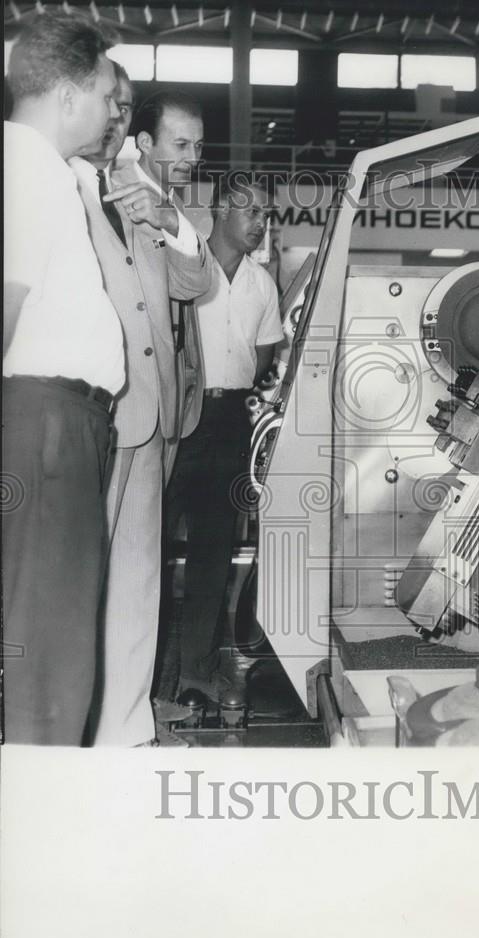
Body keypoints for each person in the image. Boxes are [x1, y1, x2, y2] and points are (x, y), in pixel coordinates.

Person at [70, 80, 211, 746]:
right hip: (86, 413)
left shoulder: (145, 197)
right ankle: (73, 721)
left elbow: (194, 283)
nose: (118, 116)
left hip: (152, 414)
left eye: (126, 106)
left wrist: (171, 224)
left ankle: (124, 728)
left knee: (138, 576)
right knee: (78, 577)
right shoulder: (58, 185)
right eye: (112, 103)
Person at [2, 11, 124, 745]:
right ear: (71, 93)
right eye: (110, 95)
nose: (116, 112)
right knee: (48, 652)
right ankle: (39, 832)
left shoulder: (39, 170)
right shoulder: (26, 169)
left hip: (54, 429)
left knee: (50, 640)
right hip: (44, 429)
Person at [157, 178, 284, 700]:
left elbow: (263, 358)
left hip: (231, 421)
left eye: (265, 213)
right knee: (155, 550)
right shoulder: (182, 265)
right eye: (250, 210)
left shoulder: (263, 284)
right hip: (178, 418)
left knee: (214, 551)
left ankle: (197, 671)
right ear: (218, 210)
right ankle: (151, 678)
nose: (259, 222)